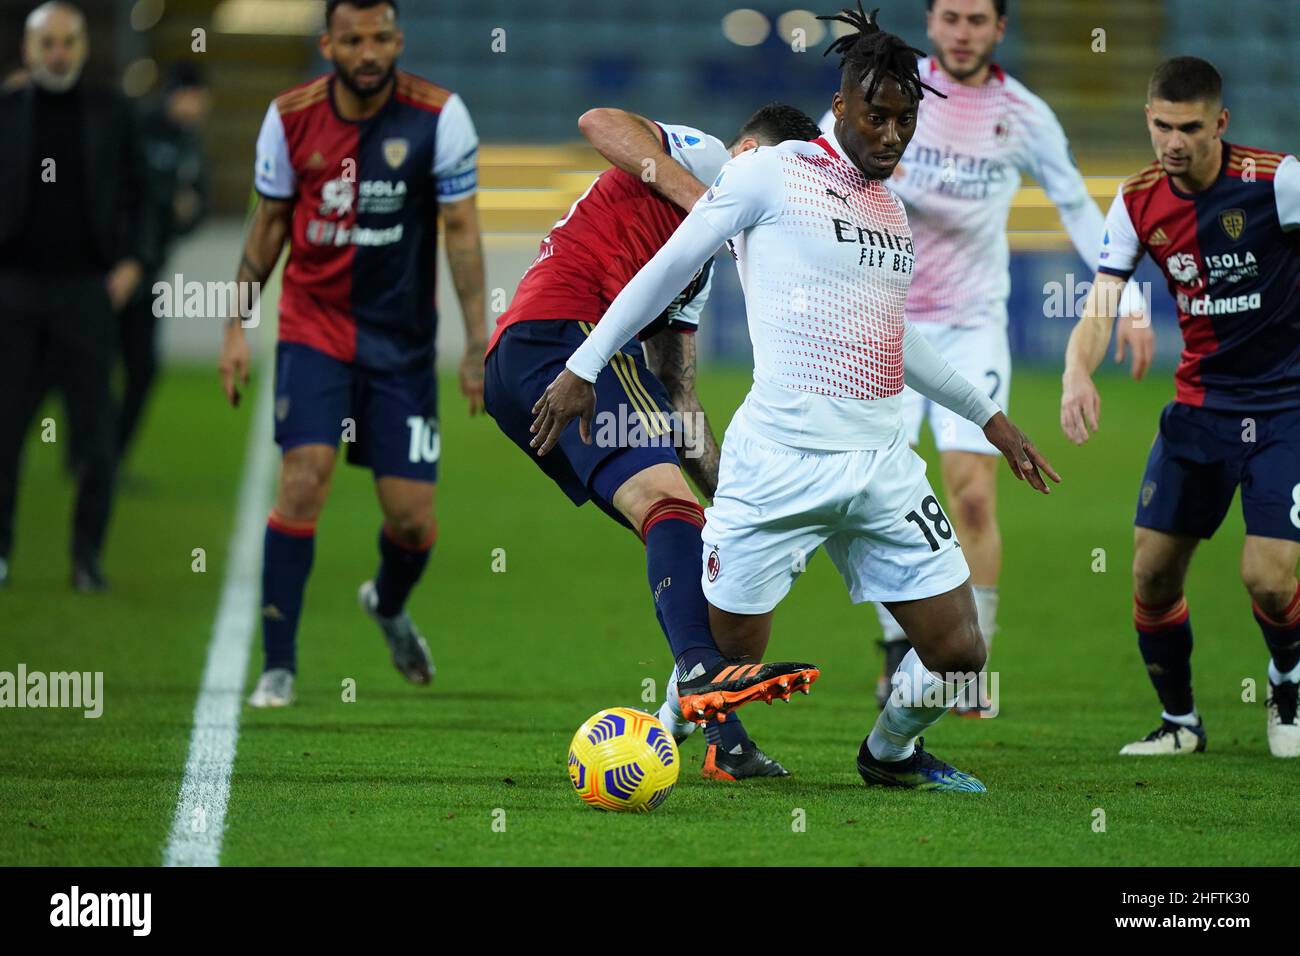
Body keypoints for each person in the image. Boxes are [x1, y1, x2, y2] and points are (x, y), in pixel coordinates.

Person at [533, 6, 1060, 792]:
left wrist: (991, 419)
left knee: (960, 653)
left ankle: (889, 755)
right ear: (841, 108)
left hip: (882, 463)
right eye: (877, 117)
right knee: (730, 659)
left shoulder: (890, 211)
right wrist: (585, 363)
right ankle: (654, 739)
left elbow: (896, 337)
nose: (892, 135)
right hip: (777, 463)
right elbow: (667, 264)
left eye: (905, 121)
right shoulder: (769, 174)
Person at [818, 0, 1149, 714]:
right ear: (932, 24)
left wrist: (1124, 294)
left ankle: (969, 666)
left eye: (977, 19)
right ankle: (899, 652)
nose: (962, 31)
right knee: (873, 495)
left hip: (970, 327)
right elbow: (819, 163)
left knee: (970, 495)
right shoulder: (891, 91)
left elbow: (1075, 203)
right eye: (951, 17)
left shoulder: (1022, 114)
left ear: (1000, 29)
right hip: (883, 321)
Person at [486, 103, 825, 781]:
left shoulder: (696, 272)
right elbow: (596, 121)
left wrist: (743, 506)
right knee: (670, 509)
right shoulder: (702, 160)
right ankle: (703, 673)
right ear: (750, 150)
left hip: (525, 369)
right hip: (564, 337)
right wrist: (708, 203)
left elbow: (678, 401)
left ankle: (725, 741)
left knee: (680, 524)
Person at [217, 0, 487, 707]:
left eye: (381, 38)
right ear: (328, 44)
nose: (369, 52)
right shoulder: (289, 116)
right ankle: (278, 665)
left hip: (401, 344)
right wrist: (235, 325)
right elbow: (270, 221)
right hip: (315, 328)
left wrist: (475, 340)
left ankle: (388, 605)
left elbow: (460, 230)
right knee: (304, 477)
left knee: (409, 516)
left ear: (398, 39)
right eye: (353, 39)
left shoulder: (440, 116)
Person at [1061, 56, 1300, 758]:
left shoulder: (1279, 181)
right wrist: (1078, 371)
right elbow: (1102, 304)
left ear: (1220, 123)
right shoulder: (1136, 200)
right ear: (1148, 119)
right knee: (1151, 573)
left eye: (1189, 127)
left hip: (1285, 410)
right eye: (1161, 125)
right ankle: (1181, 724)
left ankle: (1287, 679)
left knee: (1267, 576)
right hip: (1199, 411)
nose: (1173, 141)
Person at [0, 1, 156, 592]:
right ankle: (1, 553)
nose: (58, 53)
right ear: (28, 50)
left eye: (68, 42)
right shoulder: (7, 110)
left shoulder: (113, 112)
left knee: (96, 435)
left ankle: (87, 559)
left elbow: (147, 195)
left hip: (87, 294)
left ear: (84, 48)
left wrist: (134, 261)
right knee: (5, 433)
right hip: (12, 294)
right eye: (47, 43)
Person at [117, 61, 212, 476]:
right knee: (71, 365)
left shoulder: (192, 144)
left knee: (142, 367)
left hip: (150, 269)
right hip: (111, 266)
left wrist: (186, 214)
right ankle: (85, 451)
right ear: (176, 93)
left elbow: (198, 207)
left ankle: (109, 457)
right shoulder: (137, 128)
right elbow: (121, 193)